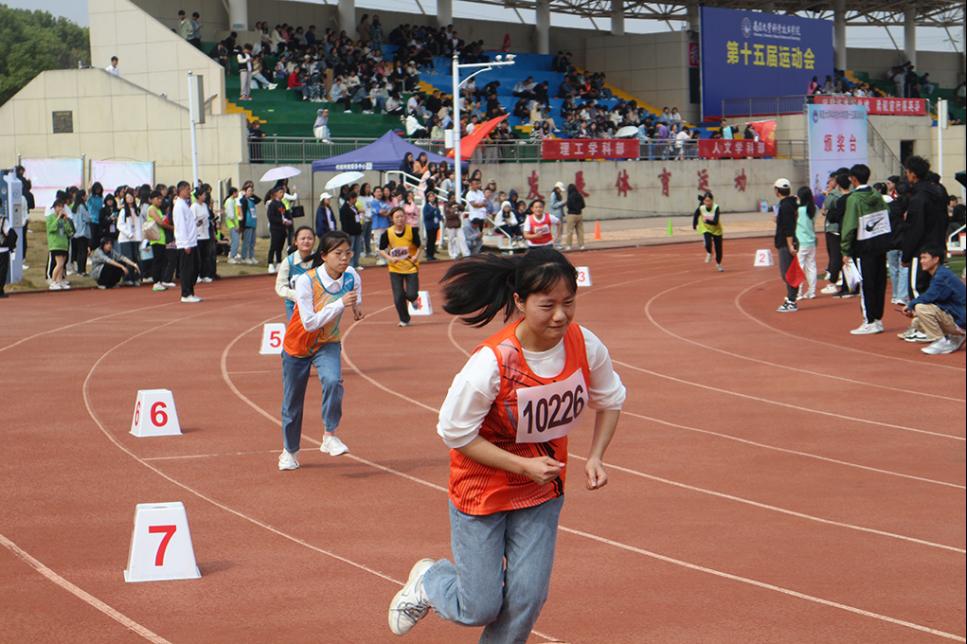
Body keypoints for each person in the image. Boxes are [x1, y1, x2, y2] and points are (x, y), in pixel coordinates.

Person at [387, 248, 626, 640]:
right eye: (547, 305)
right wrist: (522, 466)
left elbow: (612, 398)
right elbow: (454, 432)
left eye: (569, 303)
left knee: (526, 600)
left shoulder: (584, 344)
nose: (561, 315)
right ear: (520, 301)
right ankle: (431, 579)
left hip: (541, 490)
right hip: (483, 490)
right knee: (479, 606)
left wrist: (597, 455)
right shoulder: (492, 363)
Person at [279, 231, 363, 471]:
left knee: (333, 380)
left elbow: (356, 294)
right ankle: (289, 451)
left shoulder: (351, 276)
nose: (344, 258)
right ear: (324, 255)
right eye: (338, 254)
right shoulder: (307, 281)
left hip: (328, 342)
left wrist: (357, 308)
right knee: (292, 402)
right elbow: (309, 323)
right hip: (298, 344)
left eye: (348, 253)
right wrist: (339, 304)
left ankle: (329, 435)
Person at [841, 164, 889, 335]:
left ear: (853, 179)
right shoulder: (877, 195)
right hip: (880, 244)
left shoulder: (854, 199)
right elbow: (887, 214)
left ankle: (869, 320)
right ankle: (877, 318)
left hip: (863, 246)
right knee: (879, 281)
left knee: (866, 283)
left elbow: (849, 226)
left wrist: (845, 250)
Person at [898, 247, 966, 354]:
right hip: (959, 315)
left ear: (935, 259)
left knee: (921, 308)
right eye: (921, 258)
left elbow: (929, 296)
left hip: (961, 317)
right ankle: (956, 336)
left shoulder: (942, 275)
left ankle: (941, 341)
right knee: (917, 322)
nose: (921, 261)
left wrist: (911, 305)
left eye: (925, 258)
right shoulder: (940, 273)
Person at [901, 156, 948, 301]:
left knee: (917, 289)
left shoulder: (919, 198)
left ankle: (922, 322)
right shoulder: (938, 193)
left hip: (921, 252)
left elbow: (915, 229)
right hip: (938, 247)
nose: (906, 175)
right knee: (934, 289)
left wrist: (906, 255)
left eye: (907, 172)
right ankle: (933, 321)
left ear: (913, 174)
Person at [378, 207, 422, 327]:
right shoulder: (387, 233)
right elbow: (381, 249)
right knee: (398, 297)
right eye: (397, 217)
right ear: (392, 219)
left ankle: (413, 300)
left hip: (411, 267)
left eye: (402, 216)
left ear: (405, 217)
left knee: (412, 294)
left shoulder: (411, 231)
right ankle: (404, 319)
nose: (400, 219)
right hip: (395, 268)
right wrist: (390, 258)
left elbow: (419, 246)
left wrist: (416, 256)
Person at [276, 226, 317, 320]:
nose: (306, 241)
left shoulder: (320, 261)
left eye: (310, 238)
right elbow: (280, 287)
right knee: (296, 334)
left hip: (316, 305)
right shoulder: (288, 262)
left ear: (314, 241)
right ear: (296, 241)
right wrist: (298, 296)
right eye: (302, 238)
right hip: (294, 306)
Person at [773, 178, 799, 312]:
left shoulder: (785, 206)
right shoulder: (791, 203)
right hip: (788, 241)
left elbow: (789, 227)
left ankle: (791, 300)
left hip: (786, 242)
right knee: (789, 272)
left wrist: (790, 245)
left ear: (777, 191)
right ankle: (792, 297)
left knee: (787, 273)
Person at [173, 181, 201, 303]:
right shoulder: (179, 206)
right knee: (187, 269)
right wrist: (185, 243)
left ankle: (190, 292)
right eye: (188, 189)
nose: (190, 192)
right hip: (186, 244)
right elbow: (180, 226)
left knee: (194, 267)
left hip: (192, 241)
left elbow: (188, 223)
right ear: (182, 190)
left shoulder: (184, 204)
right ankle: (186, 293)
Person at [45, 199, 74, 291]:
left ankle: (60, 280)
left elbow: (69, 231)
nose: (61, 208)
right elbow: (51, 228)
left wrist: (65, 220)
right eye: (58, 207)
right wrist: (57, 218)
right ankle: (53, 281)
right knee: (59, 263)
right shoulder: (50, 217)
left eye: (62, 206)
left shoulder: (64, 219)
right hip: (55, 244)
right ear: (54, 208)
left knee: (62, 264)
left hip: (64, 244)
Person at [117, 189, 143, 286]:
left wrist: (141, 237)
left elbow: (140, 224)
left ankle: (135, 278)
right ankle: (127, 278)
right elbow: (120, 225)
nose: (130, 199)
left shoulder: (137, 210)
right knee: (129, 258)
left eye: (131, 197)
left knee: (136, 258)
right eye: (127, 197)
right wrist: (129, 233)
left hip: (136, 238)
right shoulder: (123, 211)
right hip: (125, 239)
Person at [795, 187, 817, 298]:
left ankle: (798, 292)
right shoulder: (813, 209)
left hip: (801, 242)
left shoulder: (799, 210)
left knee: (799, 268)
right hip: (811, 241)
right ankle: (812, 291)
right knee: (811, 267)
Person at [692, 192, 723, 272]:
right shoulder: (701, 207)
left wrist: (707, 220)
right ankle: (709, 252)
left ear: (712, 201)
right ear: (704, 201)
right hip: (706, 229)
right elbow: (696, 215)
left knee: (718, 249)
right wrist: (694, 224)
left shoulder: (716, 208)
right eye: (706, 201)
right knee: (708, 243)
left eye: (709, 201)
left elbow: (715, 221)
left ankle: (718, 264)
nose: (708, 203)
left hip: (717, 230)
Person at [145, 190, 169, 291]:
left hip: (161, 238)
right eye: (158, 199)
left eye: (161, 199)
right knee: (157, 261)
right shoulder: (151, 209)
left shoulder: (158, 209)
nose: (160, 201)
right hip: (156, 239)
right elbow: (160, 223)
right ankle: (156, 282)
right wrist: (172, 227)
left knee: (162, 260)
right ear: (152, 199)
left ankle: (160, 280)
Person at [266, 185, 289, 273]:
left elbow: (285, 214)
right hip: (275, 228)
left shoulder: (282, 204)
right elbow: (271, 217)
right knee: (274, 246)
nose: (282, 194)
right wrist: (281, 221)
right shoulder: (272, 204)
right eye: (280, 192)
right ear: (276, 194)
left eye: (283, 192)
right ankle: (270, 263)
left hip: (282, 228)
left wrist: (287, 220)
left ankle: (279, 263)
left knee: (280, 246)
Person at [339, 190, 364, 270]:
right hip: (350, 232)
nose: (356, 200)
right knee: (351, 249)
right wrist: (346, 233)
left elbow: (357, 218)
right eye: (354, 198)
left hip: (357, 231)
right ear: (350, 199)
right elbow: (343, 222)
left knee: (358, 248)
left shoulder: (354, 207)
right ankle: (351, 264)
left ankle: (356, 263)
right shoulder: (344, 209)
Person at [70, 190, 92, 276]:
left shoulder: (74, 207)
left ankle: (80, 270)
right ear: (82, 197)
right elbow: (87, 218)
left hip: (76, 232)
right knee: (83, 252)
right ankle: (81, 270)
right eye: (85, 195)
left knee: (79, 252)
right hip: (83, 232)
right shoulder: (82, 207)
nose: (86, 197)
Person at [240, 181, 260, 264]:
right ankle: (244, 257)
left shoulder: (252, 200)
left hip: (253, 223)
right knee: (246, 242)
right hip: (247, 224)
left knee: (252, 242)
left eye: (252, 191)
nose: (251, 192)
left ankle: (251, 256)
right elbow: (242, 213)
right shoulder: (243, 200)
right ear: (245, 191)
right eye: (249, 190)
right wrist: (242, 225)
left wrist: (251, 193)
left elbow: (259, 200)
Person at [564, 183, 586, 251]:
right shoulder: (579, 195)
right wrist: (578, 208)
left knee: (569, 231)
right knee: (580, 231)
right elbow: (583, 205)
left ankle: (568, 246)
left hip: (571, 215)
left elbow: (568, 206)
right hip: (579, 215)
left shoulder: (570, 196)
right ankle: (581, 245)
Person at [223, 186, 241, 264]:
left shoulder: (233, 201)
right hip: (232, 225)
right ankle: (231, 257)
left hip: (234, 224)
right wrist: (235, 225)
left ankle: (233, 255)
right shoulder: (229, 201)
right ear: (233, 193)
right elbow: (231, 215)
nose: (237, 194)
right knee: (235, 241)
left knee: (235, 240)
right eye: (237, 192)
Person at [422, 192, 442, 261]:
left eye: (433, 197)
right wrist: (433, 210)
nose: (432, 198)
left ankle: (432, 254)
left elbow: (439, 214)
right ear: (427, 198)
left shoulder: (436, 205)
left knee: (434, 240)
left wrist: (440, 218)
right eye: (430, 197)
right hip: (429, 226)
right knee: (430, 240)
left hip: (435, 225)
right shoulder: (426, 206)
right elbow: (426, 216)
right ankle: (428, 255)